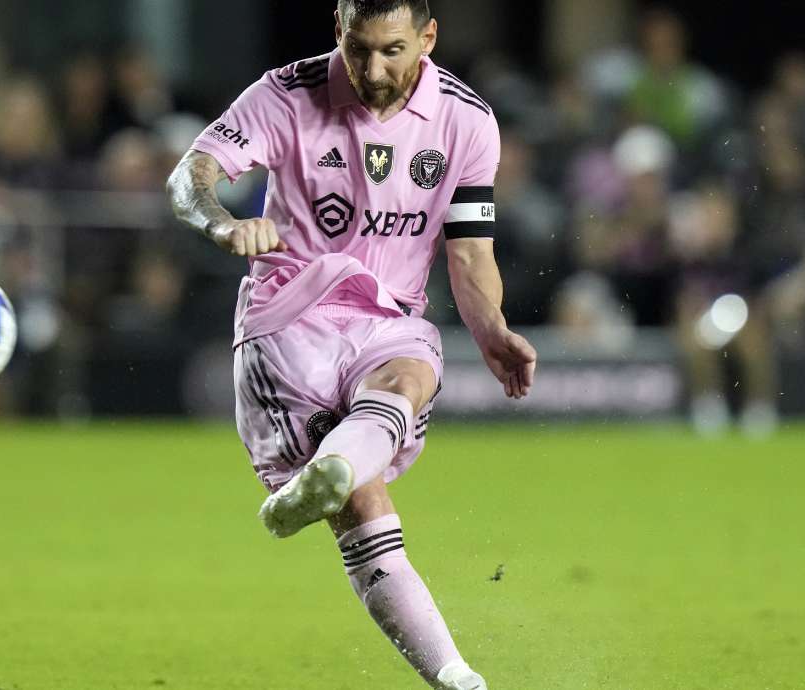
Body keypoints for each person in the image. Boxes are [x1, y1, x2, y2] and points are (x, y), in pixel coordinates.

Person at [165, 1, 537, 687]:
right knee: (363, 506)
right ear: (338, 30)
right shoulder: (285, 94)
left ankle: (459, 679)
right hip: (289, 320)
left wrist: (491, 329)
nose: (373, 69)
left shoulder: (466, 119)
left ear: (428, 38)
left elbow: (469, 251)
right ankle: (447, 664)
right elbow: (190, 177)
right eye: (358, 48)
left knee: (410, 375)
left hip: (388, 318)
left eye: (392, 50)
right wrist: (222, 224)